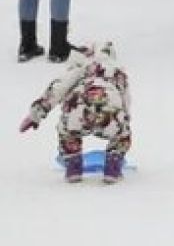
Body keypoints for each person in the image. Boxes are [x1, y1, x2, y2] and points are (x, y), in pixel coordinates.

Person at [20, 39, 132, 184]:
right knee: (122, 134)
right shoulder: (117, 71)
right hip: (109, 109)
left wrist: (36, 114)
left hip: (77, 108)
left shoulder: (79, 67)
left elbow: (57, 89)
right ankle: (113, 166)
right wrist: (124, 121)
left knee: (67, 131)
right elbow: (125, 101)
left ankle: (73, 165)